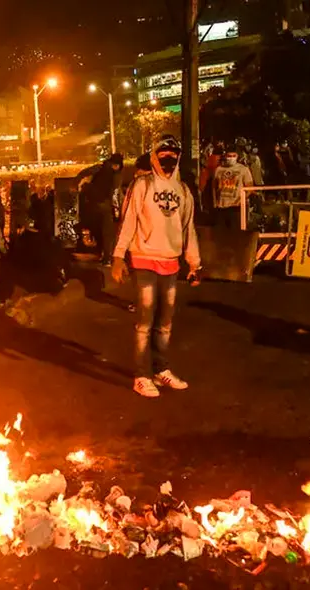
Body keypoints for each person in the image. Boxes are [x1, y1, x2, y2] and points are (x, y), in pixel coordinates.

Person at [112, 136, 201, 398]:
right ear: (154, 156)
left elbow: (188, 230)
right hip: (143, 260)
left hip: (171, 264)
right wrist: (118, 257)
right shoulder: (142, 185)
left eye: (174, 153)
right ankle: (141, 375)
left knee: (164, 324)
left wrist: (194, 264)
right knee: (144, 323)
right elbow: (128, 221)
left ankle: (161, 370)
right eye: (163, 153)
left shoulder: (184, 191)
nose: (169, 158)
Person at [85, 153, 124, 260]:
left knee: (98, 230)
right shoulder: (116, 175)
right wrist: (117, 211)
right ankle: (107, 256)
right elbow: (115, 193)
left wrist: (75, 182)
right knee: (108, 233)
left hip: (93, 204)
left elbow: (85, 172)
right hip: (106, 206)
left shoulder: (99, 168)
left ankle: (101, 253)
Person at [211, 150, 254, 229]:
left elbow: (250, 188)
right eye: (229, 156)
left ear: (237, 157)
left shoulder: (243, 169)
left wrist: (241, 200)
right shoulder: (218, 170)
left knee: (236, 232)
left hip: (236, 207)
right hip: (221, 207)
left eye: (233, 156)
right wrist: (215, 202)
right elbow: (214, 187)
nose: (231, 158)